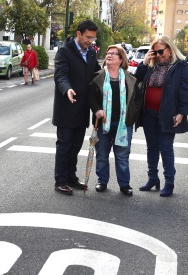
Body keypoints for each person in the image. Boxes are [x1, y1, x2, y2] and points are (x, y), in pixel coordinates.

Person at [134, 35, 188, 197]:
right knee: (151, 147)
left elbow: (185, 92)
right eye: (155, 52)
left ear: (170, 49)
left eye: (161, 52)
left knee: (166, 148)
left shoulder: (180, 67)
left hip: (167, 115)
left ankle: (169, 182)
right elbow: (136, 79)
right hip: (148, 114)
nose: (158, 55)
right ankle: (153, 178)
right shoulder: (151, 66)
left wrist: (182, 113)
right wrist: (145, 62)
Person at [53, 19, 101, 195]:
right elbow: (60, 76)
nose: (90, 41)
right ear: (79, 34)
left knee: (76, 146)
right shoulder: (64, 52)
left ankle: (71, 177)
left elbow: (97, 75)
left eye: (93, 38)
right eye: (88, 37)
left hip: (82, 110)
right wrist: (67, 90)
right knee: (64, 145)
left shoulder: (91, 54)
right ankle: (60, 180)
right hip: (67, 107)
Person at [89, 45, 140, 196]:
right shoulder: (97, 77)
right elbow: (90, 97)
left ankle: (125, 185)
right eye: (108, 53)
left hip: (123, 125)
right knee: (102, 155)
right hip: (103, 124)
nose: (109, 55)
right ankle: (102, 181)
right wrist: (97, 109)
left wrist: (132, 115)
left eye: (113, 53)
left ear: (121, 58)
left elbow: (138, 100)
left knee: (122, 156)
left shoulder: (130, 79)